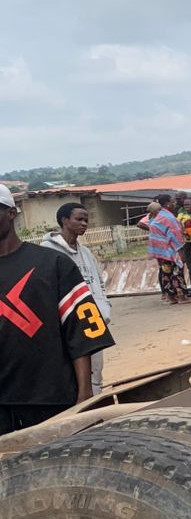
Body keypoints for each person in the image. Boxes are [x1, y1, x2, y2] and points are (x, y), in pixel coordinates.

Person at [0, 184, 114, 435]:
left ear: (11, 213)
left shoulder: (53, 264)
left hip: (52, 396)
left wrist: (84, 394)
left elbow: (82, 333)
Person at [41, 202, 112, 394]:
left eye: (86, 220)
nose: (84, 224)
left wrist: (104, 307)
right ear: (64, 220)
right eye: (79, 219)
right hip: (68, 323)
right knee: (75, 374)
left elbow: (98, 282)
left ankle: (95, 406)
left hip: (92, 321)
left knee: (95, 373)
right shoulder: (48, 252)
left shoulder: (86, 253)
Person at [147, 194, 187, 305]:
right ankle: (181, 296)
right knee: (177, 272)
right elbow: (174, 235)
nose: (174, 204)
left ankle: (171, 297)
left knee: (166, 273)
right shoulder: (168, 217)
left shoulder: (156, 217)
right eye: (173, 202)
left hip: (160, 251)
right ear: (168, 203)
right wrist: (180, 250)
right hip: (170, 250)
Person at [175, 194, 191, 296]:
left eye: (188, 204)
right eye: (185, 204)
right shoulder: (181, 215)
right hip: (187, 244)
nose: (186, 206)